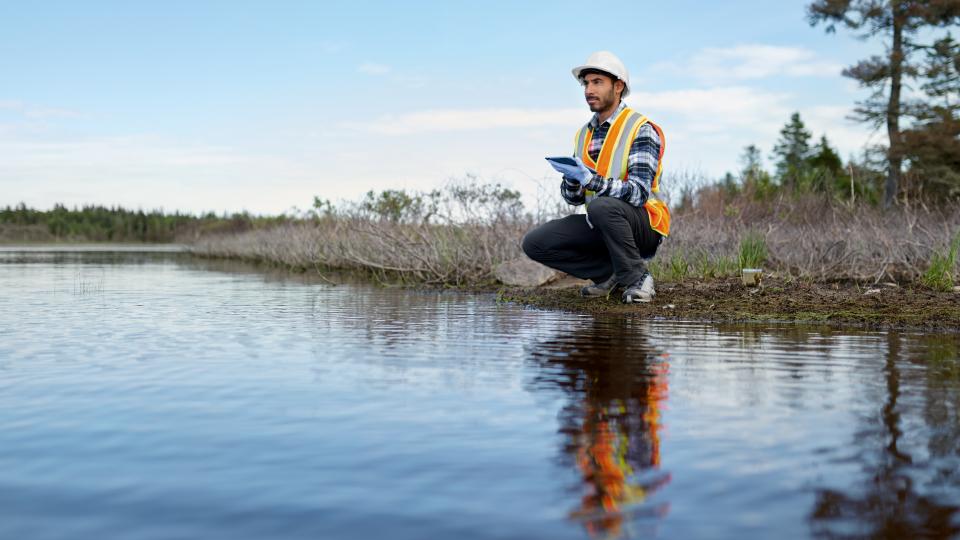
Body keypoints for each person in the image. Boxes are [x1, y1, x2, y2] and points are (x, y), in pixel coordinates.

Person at [522, 51, 670, 304]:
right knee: (536, 242)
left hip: (644, 225)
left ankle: (638, 279)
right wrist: (572, 179)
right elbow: (574, 199)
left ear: (618, 86)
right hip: (601, 222)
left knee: (602, 206)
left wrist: (591, 181)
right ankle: (608, 274)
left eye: (597, 82)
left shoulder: (640, 128)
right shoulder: (583, 135)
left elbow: (638, 192)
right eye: (586, 83)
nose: (589, 89)